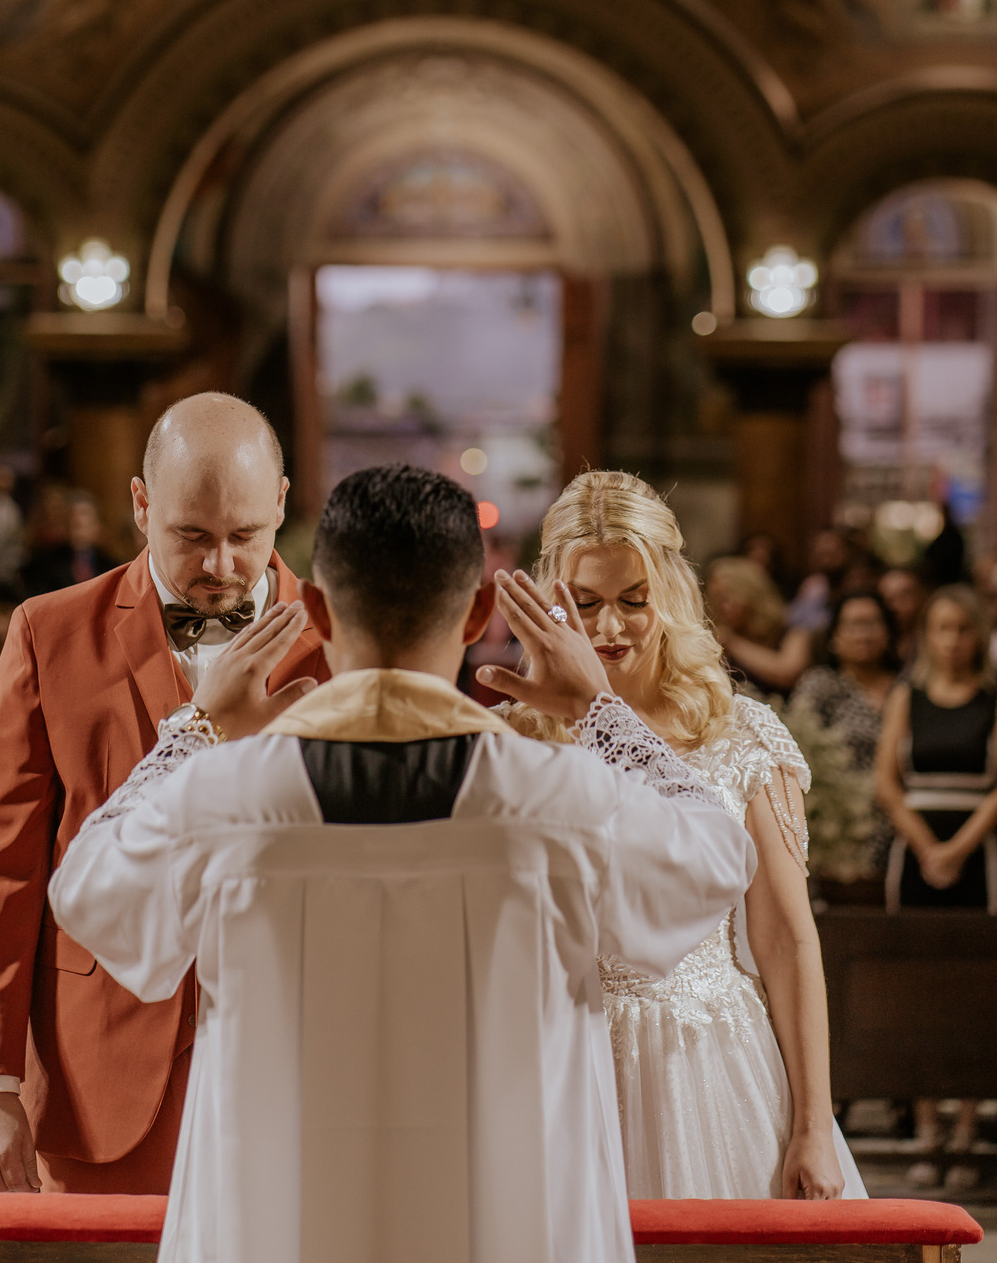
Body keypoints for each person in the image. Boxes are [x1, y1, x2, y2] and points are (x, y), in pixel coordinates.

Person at [48, 465, 753, 1261]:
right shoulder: (561, 802)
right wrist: (599, 710)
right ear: (483, 610)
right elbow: (716, 856)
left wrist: (197, 728)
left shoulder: (224, 798)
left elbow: (86, 887)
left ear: (312, 608)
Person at [0, 393, 327, 1195]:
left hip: (303, 1066)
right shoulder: (48, 633)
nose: (222, 565)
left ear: (284, 506)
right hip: (101, 1076)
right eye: (192, 535)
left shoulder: (344, 641)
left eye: (246, 537)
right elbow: (0, 871)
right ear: (140, 503)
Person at [478, 470, 864, 1200]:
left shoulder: (740, 733)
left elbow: (785, 938)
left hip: (712, 1063)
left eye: (633, 601)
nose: (607, 629)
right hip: (562, 1065)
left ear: (671, 595)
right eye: (584, 603)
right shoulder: (513, 739)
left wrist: (814, 1123)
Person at [874, 583, 997, 1186]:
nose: (951, 641)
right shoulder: (909, 695)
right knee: (915, 986)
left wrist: (958, 848)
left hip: (979, 852)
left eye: (963, 629)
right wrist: (927, 847)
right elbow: (887, 784)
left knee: (975, 985)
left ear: (978, 635)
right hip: (917, 850)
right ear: (928, 634)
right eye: (941, 629)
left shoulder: (993, 697)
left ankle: (968, 1134)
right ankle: (926, 1133)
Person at [789, 593, 902, 892]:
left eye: (872, 624)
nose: (863, 634)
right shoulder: (822, 685)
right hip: (841, 823)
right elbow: (796, 750)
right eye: (852, 625)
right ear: (834, 637)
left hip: (902, 815)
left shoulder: (909, 686)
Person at [706, 554, 812, 693]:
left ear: (751, 594)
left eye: (727, 598)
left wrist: (734, 643)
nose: (723, 608)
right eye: (717, 600)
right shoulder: (718, 636)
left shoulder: (793, 633)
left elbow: (787, 672)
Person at [21, 492, 118, 597]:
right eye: (73, 523)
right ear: (65, 525)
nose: (77, 528)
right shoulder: (43, 563)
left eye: (83, 524)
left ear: (96, 526)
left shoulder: (110, 567)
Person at [877, 567, 927, 670]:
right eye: (887, 599)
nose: (894, 606)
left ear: (921, 595)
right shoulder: (877, 645)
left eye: (903, 596)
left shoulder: (934, 639)